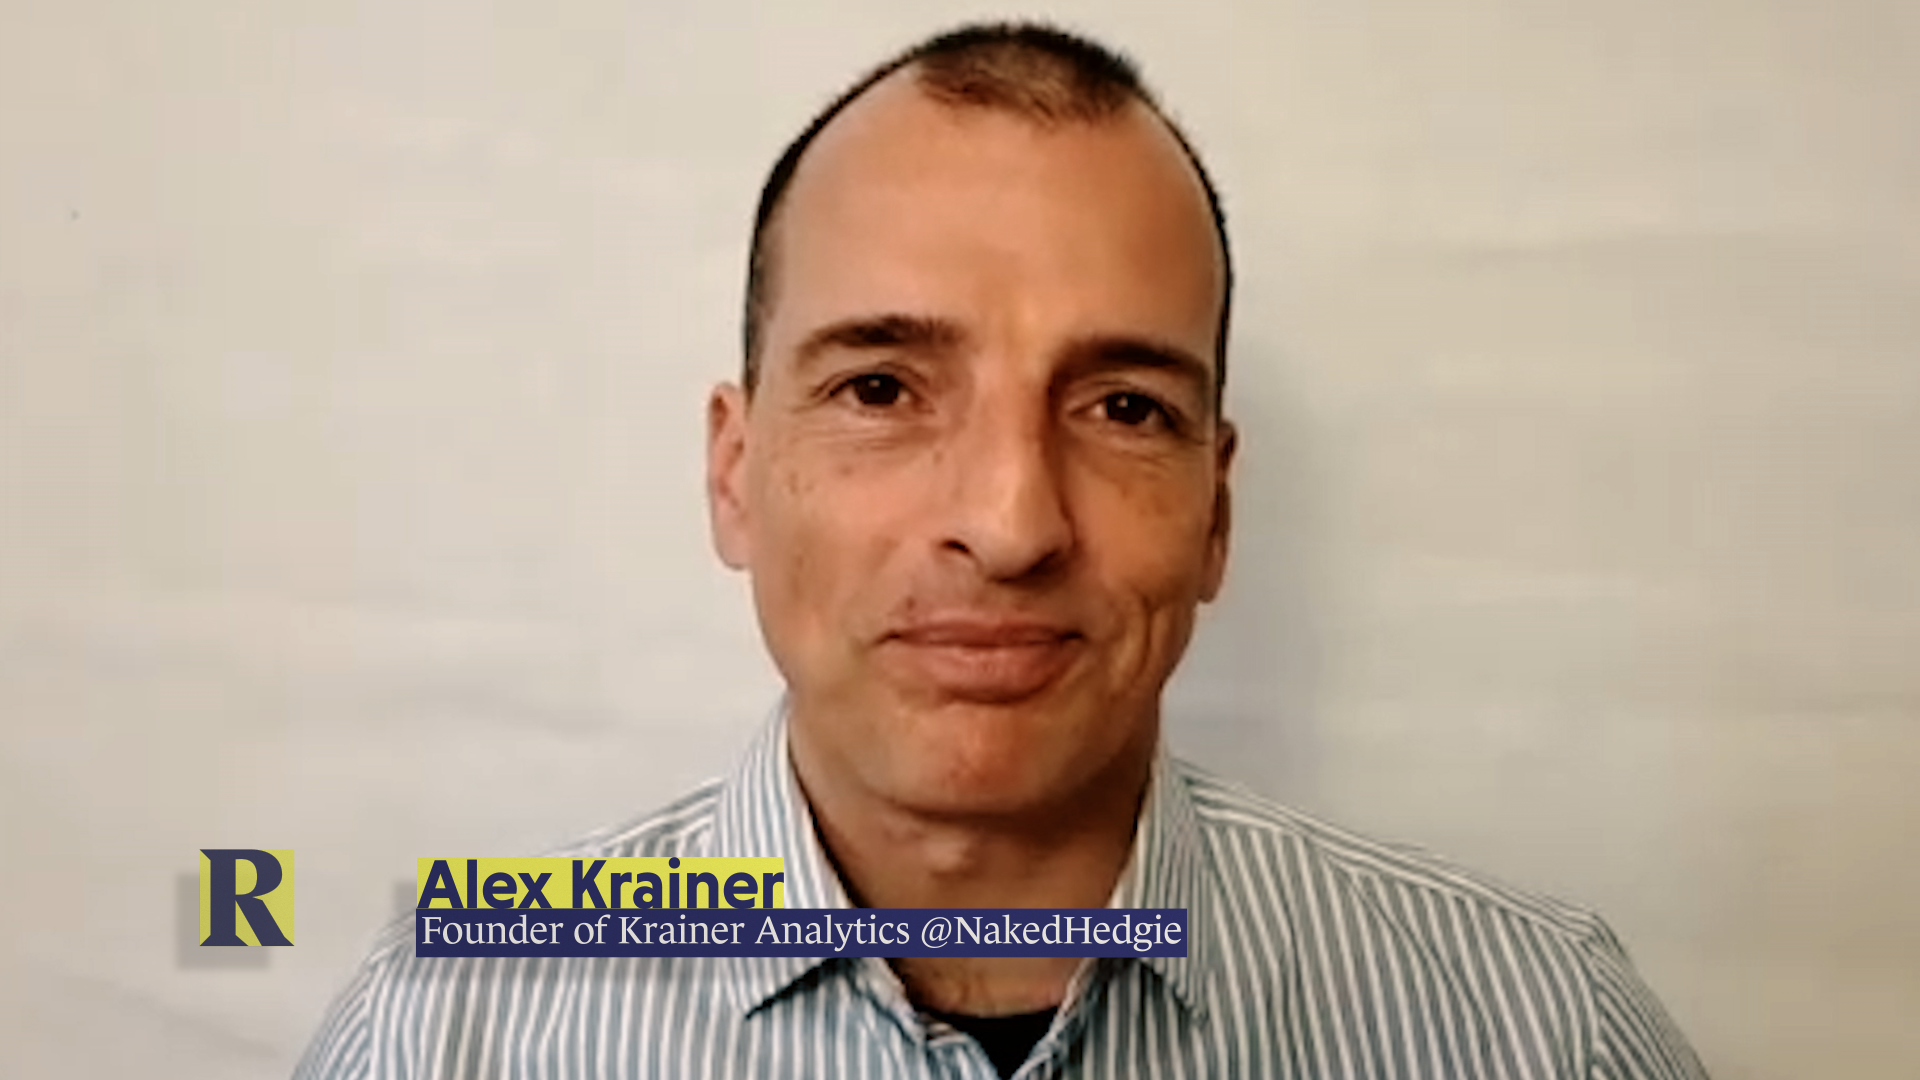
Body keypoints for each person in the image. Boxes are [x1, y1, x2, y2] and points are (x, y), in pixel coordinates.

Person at [296, 22, 1708, 1079]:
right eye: (881, 389)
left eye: (1123, 408)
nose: (1014, 523)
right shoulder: (449, 1026)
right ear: (734, 475)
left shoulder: (1542, 1030)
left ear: (1217, 512)